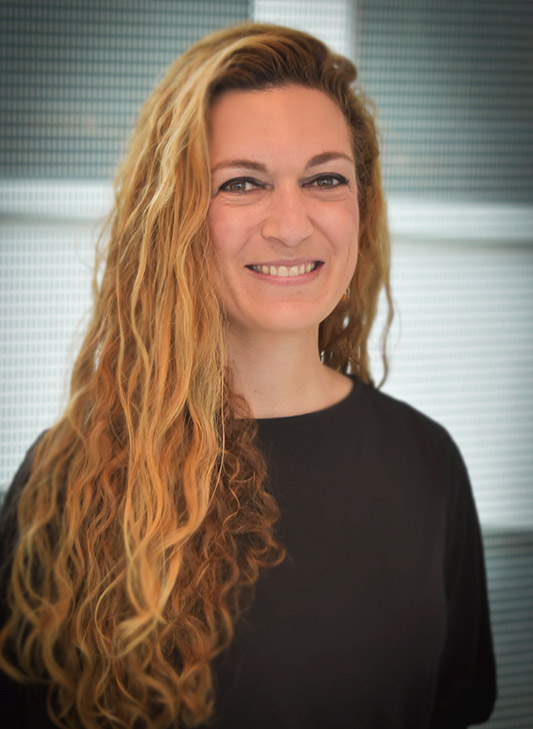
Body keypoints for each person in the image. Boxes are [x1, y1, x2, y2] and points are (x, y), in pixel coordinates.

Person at [0, 22, 496, 729]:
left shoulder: (428, 463)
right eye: (241, 183)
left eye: (325, 178)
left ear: (362, 204)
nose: (290, 224)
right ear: (175, 216)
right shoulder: (66, 478)